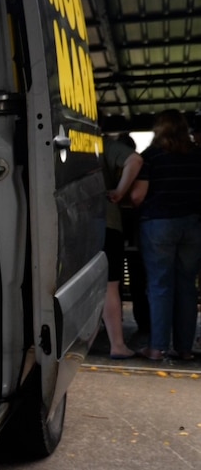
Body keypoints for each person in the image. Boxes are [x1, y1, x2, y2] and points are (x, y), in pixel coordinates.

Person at [129, 110, 201, 361]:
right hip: (193, 225)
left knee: (160, 286)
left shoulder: (151, 156)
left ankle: (157, 348)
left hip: (158, 224)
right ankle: (184, 348)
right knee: (187, 287)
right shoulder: (197, 155)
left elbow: (138, 196)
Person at [102, 134, 143, 358]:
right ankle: (117, 345)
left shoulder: (59, 139)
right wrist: (118, 192)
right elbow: (135, 160)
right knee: (110, 287)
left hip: (72, 224)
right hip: (107, 223)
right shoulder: (101, 143)